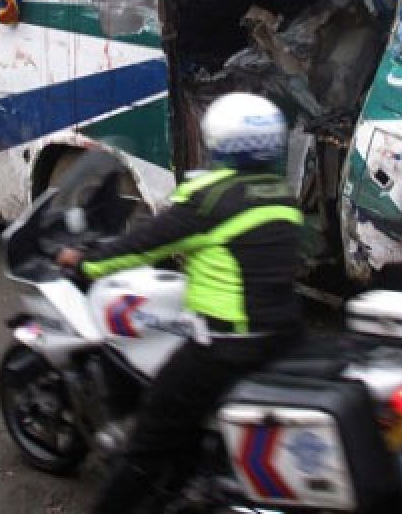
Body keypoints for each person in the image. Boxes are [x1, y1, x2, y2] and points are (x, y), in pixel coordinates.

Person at [57, 92, 306, 513]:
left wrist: (85, 262)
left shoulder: (209, 199)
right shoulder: (281, 195)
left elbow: (141, 246)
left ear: (217, 141)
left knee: (150, 438)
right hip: (287, 336)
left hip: (228, 347)